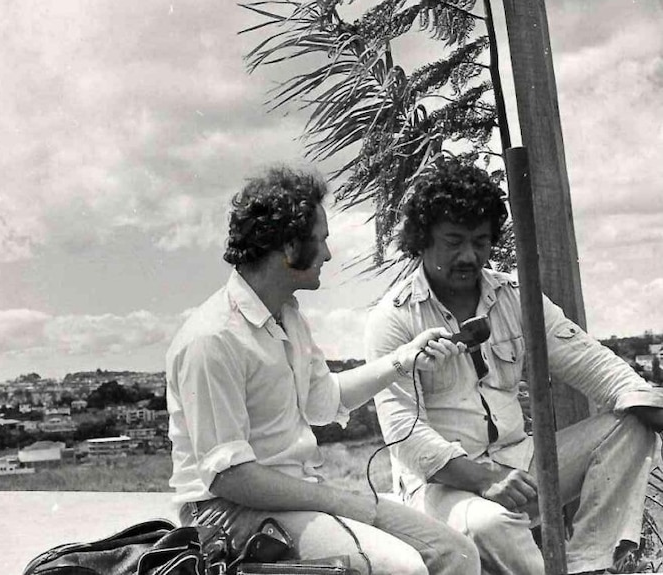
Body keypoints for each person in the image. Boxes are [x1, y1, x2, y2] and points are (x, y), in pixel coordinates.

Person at [166, 166, 481, 575]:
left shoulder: (287, 315)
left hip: (293, 498)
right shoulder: (212, 338)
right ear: (289, 246)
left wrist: (404, 359)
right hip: (224, 513)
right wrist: (339, 500)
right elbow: (229, 478)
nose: (329, 255)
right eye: (322, 240)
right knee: (401, 568)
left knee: (456, 553)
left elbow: (322, 401)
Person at [364, 158, 663, 575]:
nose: (469, 255)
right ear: (422, 239)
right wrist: (483, 480)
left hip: (520, 465)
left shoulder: (514, 296)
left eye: (480, 241)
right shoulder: (394, 319)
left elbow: (592, 364)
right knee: (491, 524)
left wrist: (649, 404)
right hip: (443, 486)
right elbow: (405, 435)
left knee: (631, 423)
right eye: (453, 241)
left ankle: (588, 565)